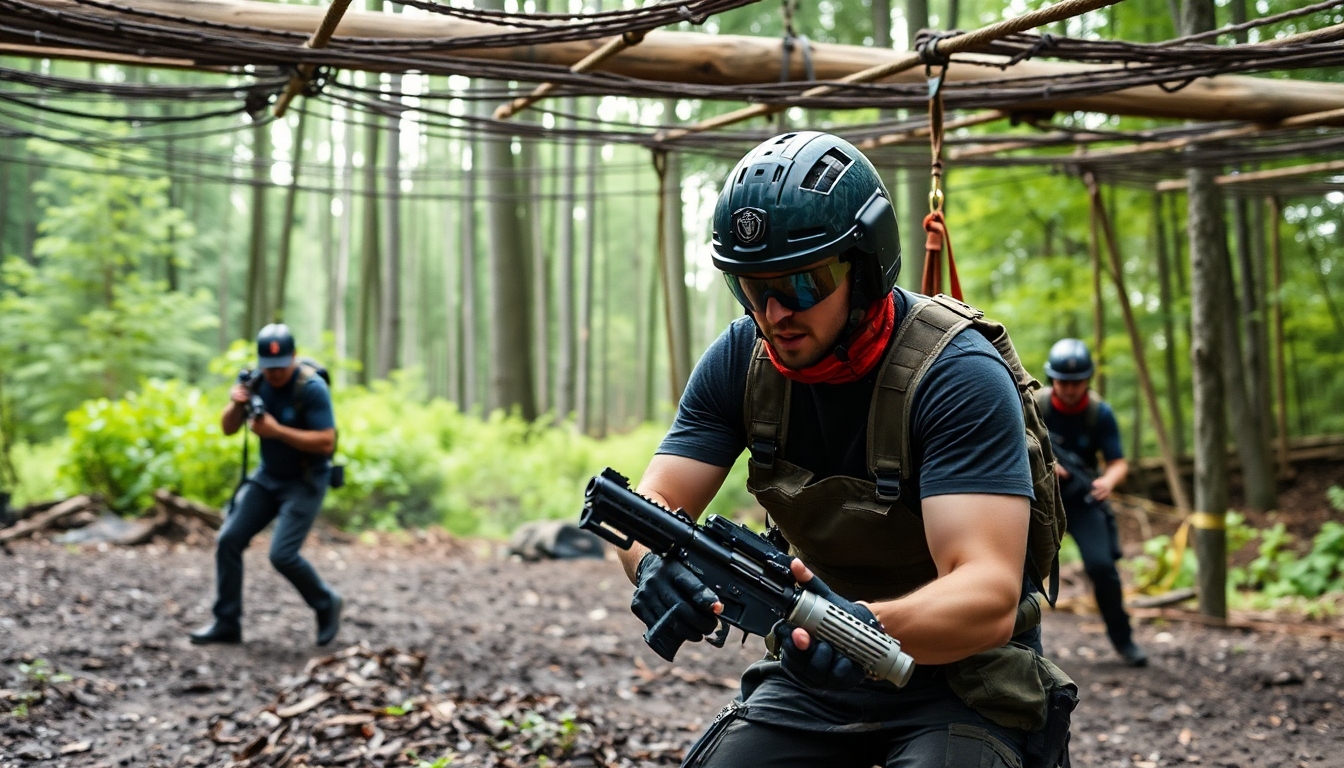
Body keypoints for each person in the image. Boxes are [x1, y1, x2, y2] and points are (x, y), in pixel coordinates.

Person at [614, 132, 1071, 768]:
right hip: (814, 675)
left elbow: (988, 591)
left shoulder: (957, 375)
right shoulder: (739, 361)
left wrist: (858, 629)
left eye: (802, 283)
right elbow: (653, 502)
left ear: (865, 266)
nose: (774, 313)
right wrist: (653, 563)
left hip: (966, 677)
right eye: (751, 287)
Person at [189, 324, 343, 646]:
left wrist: (277, 432)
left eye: (281, 366)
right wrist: (236, 403)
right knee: (229, 540)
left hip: (305, 480)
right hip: (267, 476)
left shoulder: (311, 388)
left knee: (282, 555)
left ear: (294, 357)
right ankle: (226, 622)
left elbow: (327, 442)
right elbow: (228, 428)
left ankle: (326, 602)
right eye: (268, 367)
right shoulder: (255, 382)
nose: (274, 374)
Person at [1038, 338, 1147, 668]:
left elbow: (1118, 462)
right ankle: (1018, 646)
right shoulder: (1035, 405)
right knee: (1020, 570)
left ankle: (1124, 640)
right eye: (1063, 382)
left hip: (1084, 501)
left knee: (1102, 568)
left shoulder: (1100, 413)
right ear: (1052, 379)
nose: (1070, 389)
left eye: (1077, 382)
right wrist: (1045, 464)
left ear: (1088, 380)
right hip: (1041, 500)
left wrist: (1107, 482)